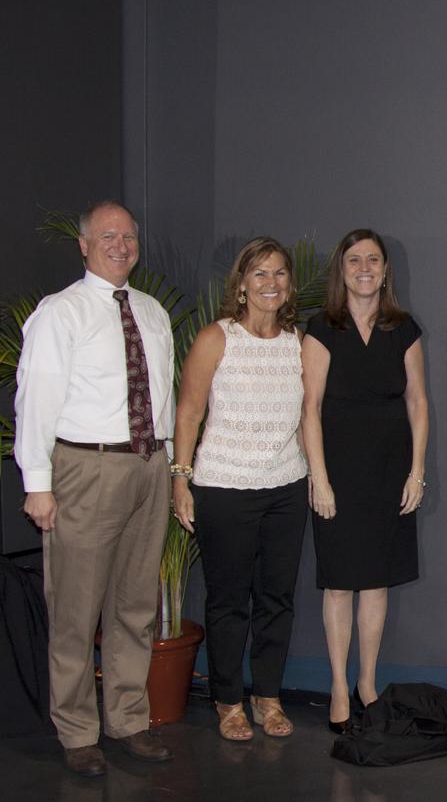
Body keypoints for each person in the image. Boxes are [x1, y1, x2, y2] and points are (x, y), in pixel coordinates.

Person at [14, 200, 176, 776]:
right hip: (87, 470)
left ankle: (128, 720)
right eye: (107, 236)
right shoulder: (60, 313)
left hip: (149, 468)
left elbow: (164, 398)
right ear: (83, 244)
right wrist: (39, 485)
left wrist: (172, 465)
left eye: (128, 236)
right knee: (77, 611)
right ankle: (78, 730)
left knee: (134, 607)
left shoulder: (153, 312)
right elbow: (35, 401)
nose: (120, 245)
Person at [171, 237, 309, 741]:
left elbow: (305, 419)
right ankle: (228, 702)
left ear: (288, 285)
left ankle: (267, 699)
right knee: (229, 601)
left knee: (277, 598)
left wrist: (315, 477)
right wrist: (180, 480)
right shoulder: (217, 338)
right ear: (242, 285)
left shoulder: (299, 343)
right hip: (224, 487)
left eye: (278, 274)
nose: (270, 283)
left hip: (286, 489)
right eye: (259, 274)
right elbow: (188, 412)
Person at [301, 229, 429, 733]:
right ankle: (337, 686)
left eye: (372, 260)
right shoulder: (321, 327)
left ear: (384, 270)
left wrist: (417, 471)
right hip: (338, 471)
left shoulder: (404, 328)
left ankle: (368, 683)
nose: (364, 268)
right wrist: (320, 479)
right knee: (339, 585)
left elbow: (418, 402)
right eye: (354, 260)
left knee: (375, 582)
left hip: (389, 471)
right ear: (342, 269)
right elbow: (309, 409)